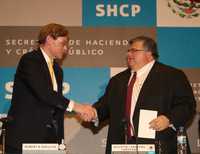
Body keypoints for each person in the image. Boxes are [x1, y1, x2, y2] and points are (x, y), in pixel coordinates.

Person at [86, 36, 196, 154]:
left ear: (149, 54)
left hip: (160, 146)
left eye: (134, 51)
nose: (129, 54)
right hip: (123, 147)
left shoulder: (172, 75)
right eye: (128, 51)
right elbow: (105, 106)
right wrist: (94, 113)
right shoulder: (117, 80)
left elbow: (187, 105)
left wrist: (169, 119)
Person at [4, 23, 93, 154]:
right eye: (63, 43)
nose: (66, 48)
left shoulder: (57, 70)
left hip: (48, 140)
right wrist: (78, 107)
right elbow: (44, 93)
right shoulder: (30, 60)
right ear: (49, 39)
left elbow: (57, 106)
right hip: (24, 139)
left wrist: (60, 143)